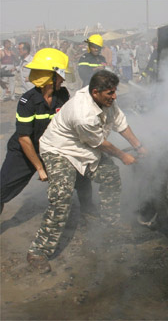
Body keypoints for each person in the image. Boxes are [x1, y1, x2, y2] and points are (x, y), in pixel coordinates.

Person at [27, 70, 147, 273]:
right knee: (61, 197)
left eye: (115, 91)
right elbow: (101, 144)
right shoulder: (82, 113)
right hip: (59, 150)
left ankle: (110, 225)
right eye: (110, 93)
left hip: (83, 148)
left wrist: (138, 146)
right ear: (95, 92)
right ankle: (38, 251)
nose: (115, 96)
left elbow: (120, 123)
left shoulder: (106, 100)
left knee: (110, 176)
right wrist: (124, 156)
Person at [0, 48, 91, 213]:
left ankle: (90, 216)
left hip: (53, 148)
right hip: (25, 151)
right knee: (2, 190)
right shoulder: (27, 101)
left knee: (82, 177)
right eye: (61, 74)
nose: (63, 79)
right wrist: (40, 168)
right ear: (51, 75)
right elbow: (24, 138)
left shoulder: (62, 95)